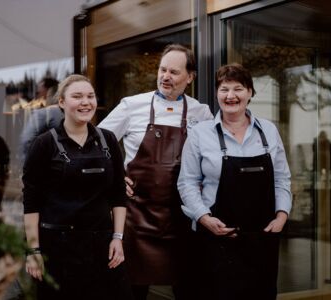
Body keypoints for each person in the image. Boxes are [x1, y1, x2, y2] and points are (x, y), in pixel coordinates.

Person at [98, 43, 213, 299]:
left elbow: (213, 158)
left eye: (174, 72)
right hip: (137, 219)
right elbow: (96, 146)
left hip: (182, 219)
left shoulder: (201, 112)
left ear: (190, 77)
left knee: (188, 289)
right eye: (162, 70)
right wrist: (115, 179)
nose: (165, 77)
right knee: (132, 290)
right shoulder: (132, 105)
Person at [177, 63, 292, 300]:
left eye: (238, 88)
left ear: (250, 92)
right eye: (224, 89)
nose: (231, 96)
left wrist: (282, 216)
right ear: (217, 93)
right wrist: (204, 218)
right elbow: (187, 183)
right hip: (214, 240)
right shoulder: (200, 133)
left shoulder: (268, 131)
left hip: (261, 241)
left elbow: (282, 178)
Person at [22, 74, 132, 299]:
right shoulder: (44, 144)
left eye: (90, 96)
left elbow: (118, 195)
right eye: (77, 96)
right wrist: (33, 251)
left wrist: (118, 238)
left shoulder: (108, 140)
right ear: (61, 102)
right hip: (58, 248)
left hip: (102, 247)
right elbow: (31, 202)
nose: (86, 102)